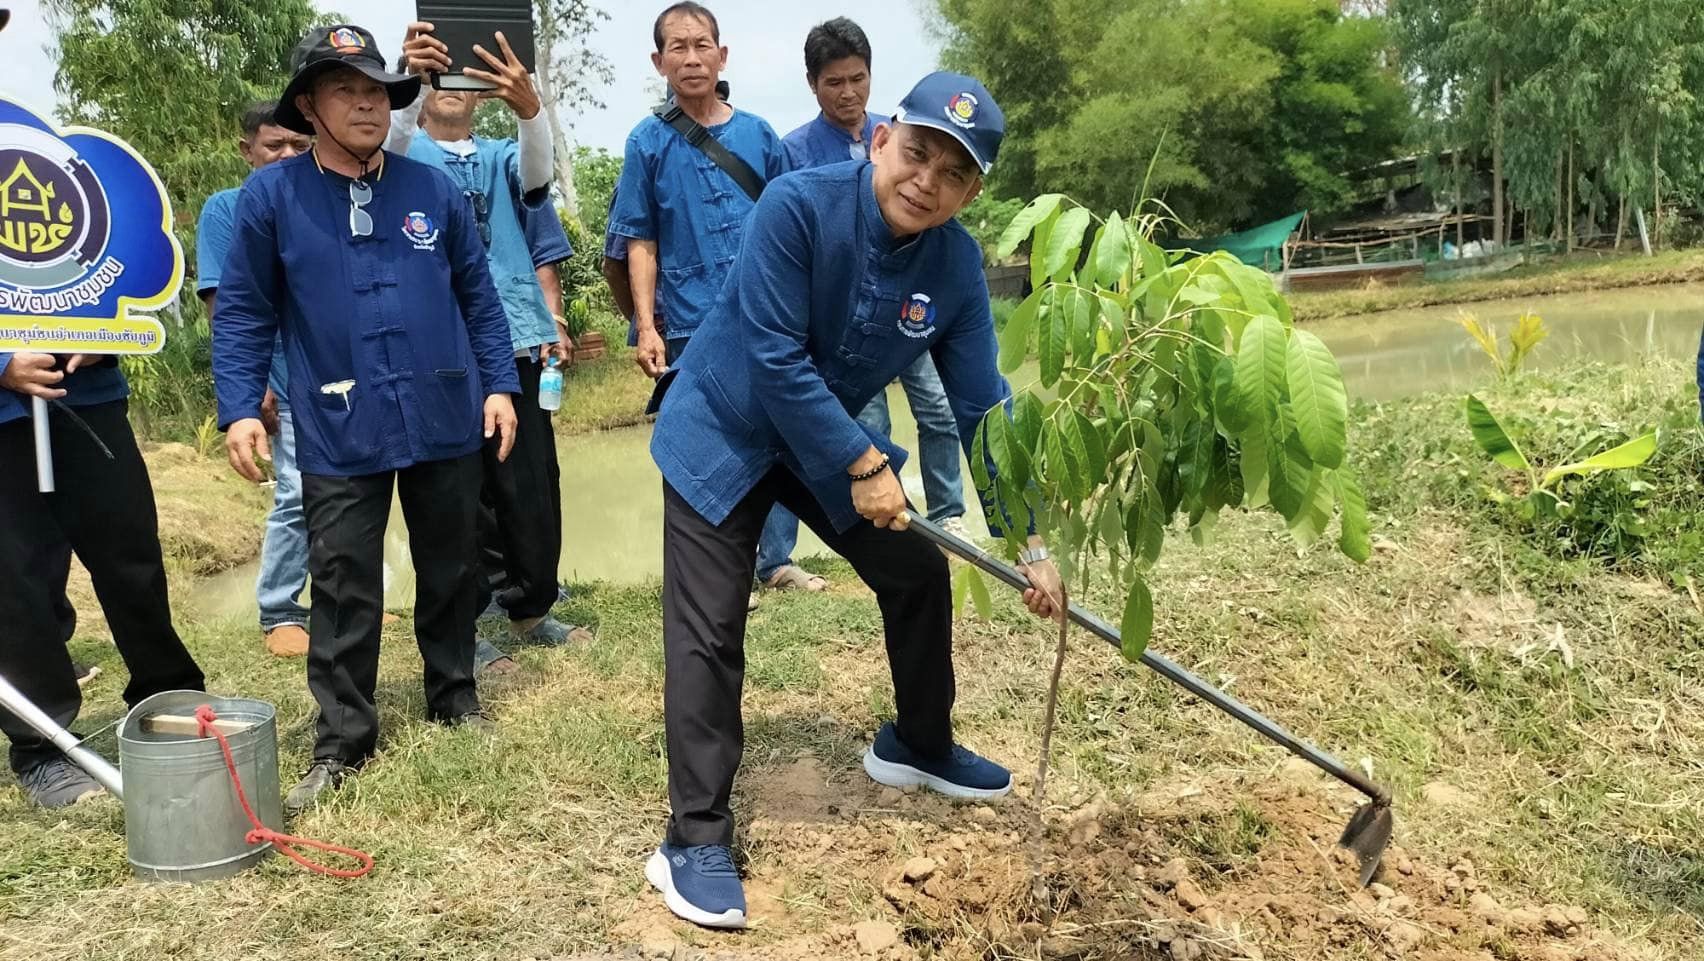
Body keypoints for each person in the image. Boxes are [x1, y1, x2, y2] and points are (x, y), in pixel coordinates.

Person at [642, 72, 1063, 930]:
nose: (926, 182)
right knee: (710, 627)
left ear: (973, 190)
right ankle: (692, 838)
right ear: (881, 140)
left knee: (915, 571)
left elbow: (982, 406)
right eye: (916, 154)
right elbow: (769, 351)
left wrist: (1028, 540)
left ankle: (918, 742)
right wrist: (866, 462)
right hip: (723, 423)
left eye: (954, 173)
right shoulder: (799, 206)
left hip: (819, 436)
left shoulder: (954, 266)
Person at [212, 24, 520, 815]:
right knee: (344, 581)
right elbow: (244, 311)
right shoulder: (271, 198)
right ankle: (343, 737)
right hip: (337, 418)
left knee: (451, 565)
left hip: (442, 406)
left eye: (377, 90)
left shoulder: (433, 192)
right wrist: (240, 406)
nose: (365, 104)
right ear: (309, 106)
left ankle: (455, 695)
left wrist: (498, 385)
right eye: (345, 89)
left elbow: (479, 299)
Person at [390, 23, 588, 651]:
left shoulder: (501, 158)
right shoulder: (401, 161)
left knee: (530, 484)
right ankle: (467, 623)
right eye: (438, 81)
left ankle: (532, 608)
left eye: (464, 86)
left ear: (480, 97)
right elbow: (388, 142)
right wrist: (405, 80)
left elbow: (537, 173)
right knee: (455, 494)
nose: (451, 93)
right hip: (439, 352)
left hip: (517, 340)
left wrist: (531, 112)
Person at [609, 3, 818, 598]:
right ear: (659, 61)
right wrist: (645, 326)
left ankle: (776, 560)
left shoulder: (758, 135)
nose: (692, 57)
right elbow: (640, 241)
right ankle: (723, 570)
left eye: (703, 45)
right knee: (707, 442)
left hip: (771, 313)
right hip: (691, 319)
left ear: (722, 55)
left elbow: (794, 224)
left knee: (782, 432)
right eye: (678, 47)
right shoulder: (646, 142)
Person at [782, 18, 971, 540]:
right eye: (834, 82)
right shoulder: (795, 152)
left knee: (937, 407)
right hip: (845, 321)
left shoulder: (911, 135)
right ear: (813, 85)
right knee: (869, 423)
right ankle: (884, 523)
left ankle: (949, 513)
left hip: (913, 310)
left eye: (857, 78)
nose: (848, 92)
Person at [196, 101, 314, 658]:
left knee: (348, 494)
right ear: (247, 151)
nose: (288, 155)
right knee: (294, 494)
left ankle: (343, 599)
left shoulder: (324, 198)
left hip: (338, 380)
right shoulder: (227, 209)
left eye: (299, 144)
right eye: (275, 146)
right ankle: (281, 609)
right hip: (280, 378)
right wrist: (250, 386)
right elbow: (225, 305)